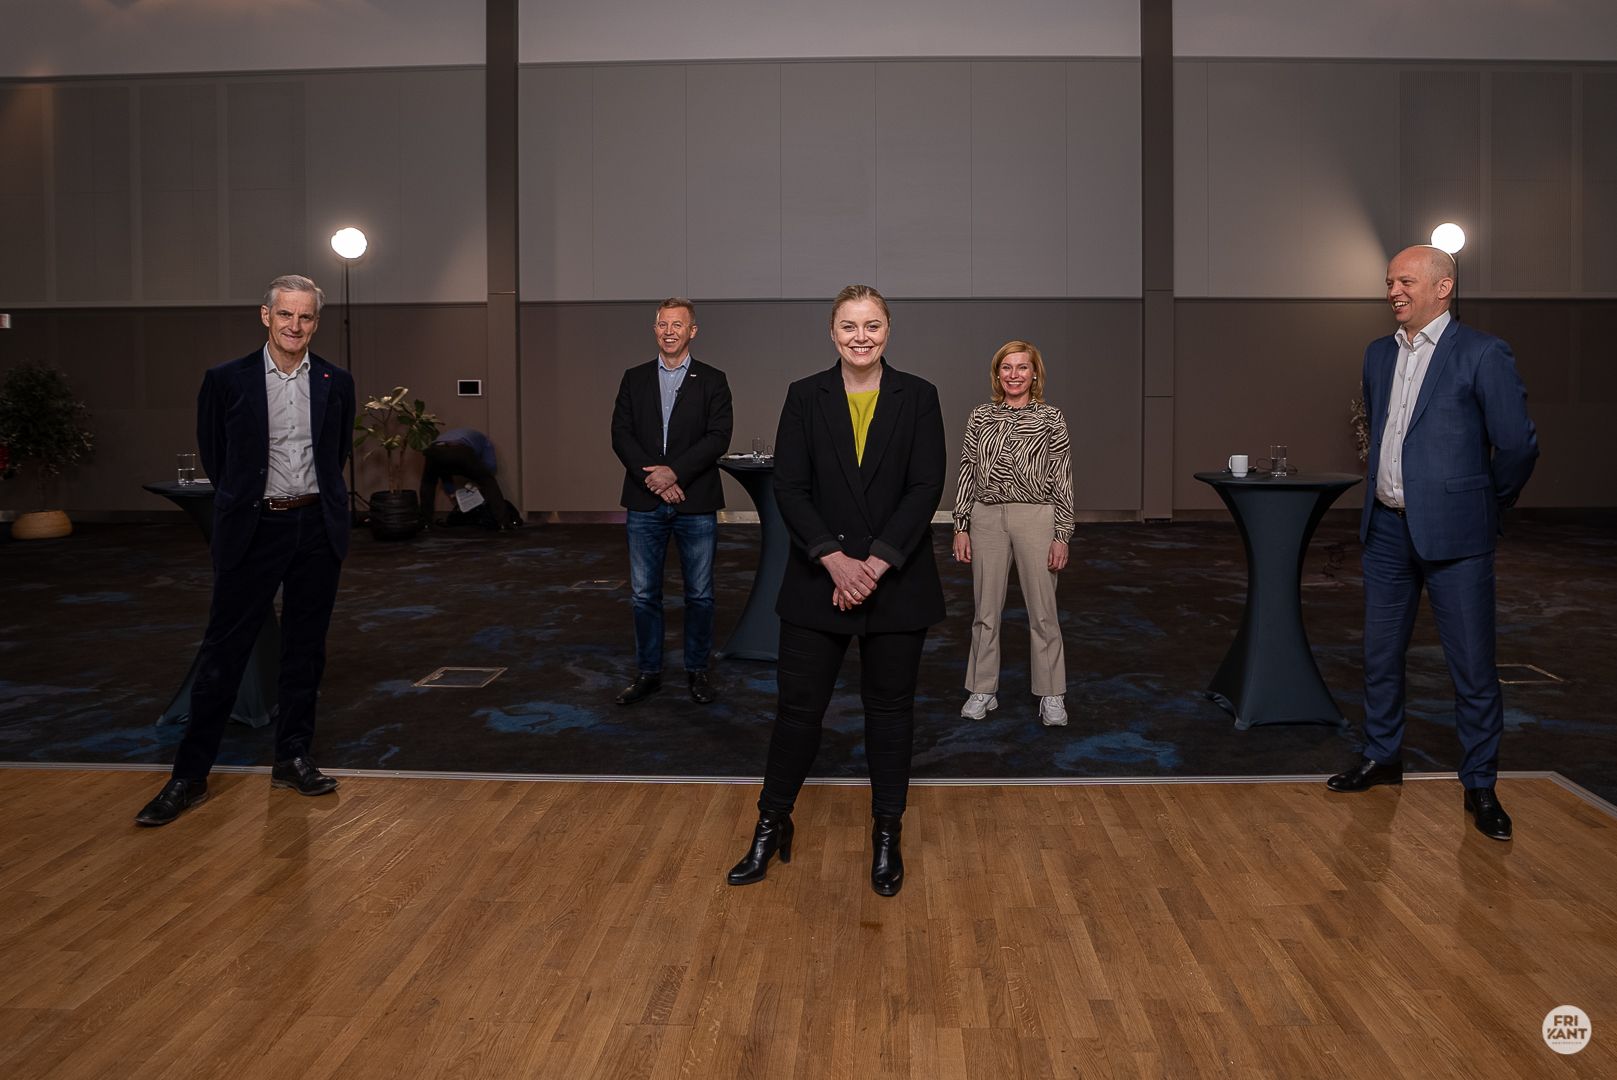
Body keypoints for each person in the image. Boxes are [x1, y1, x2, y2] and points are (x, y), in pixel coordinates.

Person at [727, 284, 946, 897]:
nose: (861, 337)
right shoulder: (804, 397)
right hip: (816, 583)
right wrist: (834, 560)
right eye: (849, 326)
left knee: (890, 714)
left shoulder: (919, 397)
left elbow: (925, 486)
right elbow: (790, 488)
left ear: (888, 330)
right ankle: (771, 825)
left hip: (895, 583)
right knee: (798, 714)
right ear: (832, 333)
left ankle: (886, 834)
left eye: (872, 325)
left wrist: (873, 565)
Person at [1327, 245, 1538, 841]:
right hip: (1388, 531)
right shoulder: (1377, 355)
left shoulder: (1482, 353)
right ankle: (1382, 756)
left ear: (1443, 287)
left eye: (1406, 281)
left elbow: (1518, 446)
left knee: (1471, 667)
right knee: (1378, 656)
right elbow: (1385, 433)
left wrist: (1484, 503)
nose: (1394, 291)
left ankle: (1480, 784)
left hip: (1457, 537)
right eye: (1390, 282)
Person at [136, 274, 356, 826]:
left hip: (315, 531)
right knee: (224, 653)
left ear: (315, 322)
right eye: (286, 315)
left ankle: (293, 757)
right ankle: (188, 776)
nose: (295, 326)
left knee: (305, 652)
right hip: (255, 531)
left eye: (306, 317)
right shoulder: (226, 380)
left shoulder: (336, 380)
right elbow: (217, 454)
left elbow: (337, 453)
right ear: (266, 316)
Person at [609, 298, 733, 705]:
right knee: (644, 595)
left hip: (694, 503)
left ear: (692, 331)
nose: (669, 331)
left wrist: (673, 473)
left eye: (678, 325)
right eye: (663, 324)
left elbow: (718, 437)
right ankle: (648, 673)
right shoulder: (634, 378)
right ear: (654, 329)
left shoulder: (713, 380)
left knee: (700, 593)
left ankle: (697, 672)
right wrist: (657, 481)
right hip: (644, 504)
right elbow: (621, 435)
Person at [952, 340, 1074, 727]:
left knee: (1044, 612)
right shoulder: (981, 416)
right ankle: (982, 690)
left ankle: (1052, 694)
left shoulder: (1051, 418)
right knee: (985, 611)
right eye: (1007, 368)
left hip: (1037, 517)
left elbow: (1063, 478)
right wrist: (961, 525)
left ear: (1035, 373)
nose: (1014, 375)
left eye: (1022, 368)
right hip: (986, 517)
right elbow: (967, 470)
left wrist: (1062, 534)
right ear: (997, 373)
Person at [418, 427, 521, 530]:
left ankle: (426, 524)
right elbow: (490, 467)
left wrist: (451, 492)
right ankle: (503, 523)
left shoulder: (446, 436)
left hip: (433, 451)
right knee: (488, 482)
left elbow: (445, 470)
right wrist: (477, 481)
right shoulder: (485, 441)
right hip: (460, 450)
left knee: (428, 484)